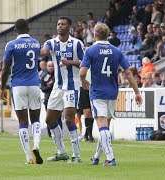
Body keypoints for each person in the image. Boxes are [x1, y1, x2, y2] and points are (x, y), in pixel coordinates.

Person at [80, 23, 142, 166]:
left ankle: (110, 158)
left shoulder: (90, 51)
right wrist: (137, 92)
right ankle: (96, 156)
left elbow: (82, 72)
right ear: (107, 35)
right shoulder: (117, 51)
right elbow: (128, 73)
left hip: (97, 92)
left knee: (101, 126)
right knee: (105, 128)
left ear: (95, 35)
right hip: (112, 92)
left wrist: (83, 81)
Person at [40, 16, 84, 163]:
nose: (60, 26)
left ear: (69, 27)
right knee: (49, 119)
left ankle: (76, 155)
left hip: (72, 86)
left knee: (69, 119)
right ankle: (61, 152)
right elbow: (44, 51)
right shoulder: (51, 43)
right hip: (57, 88)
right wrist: (41, 51)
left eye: (63, 24)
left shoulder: (77, 43)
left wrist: (69, 62)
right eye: (58, 24)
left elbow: (84, 64)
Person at [1, 18, 43, 165]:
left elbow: (6, 69)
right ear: (29, 29)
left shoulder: (11, 45)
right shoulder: (36, 44)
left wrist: (2, 87)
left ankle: (28, 157)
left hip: (18, 85)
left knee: (23, 122)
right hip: (34, 84)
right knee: (36, 119)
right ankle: (36, 145)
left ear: (15, 30)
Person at [39, 61, 63, 137]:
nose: (51, 67)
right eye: (49, 66)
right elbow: (43, 89)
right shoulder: (44, 76)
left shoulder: (59, 74)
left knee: (58, 117)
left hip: (58, 98)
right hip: (48, 99)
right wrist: (49, 86)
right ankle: (50, 134)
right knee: (49, 117)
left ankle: (60, 134)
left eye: (52, 66)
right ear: (47, 67)